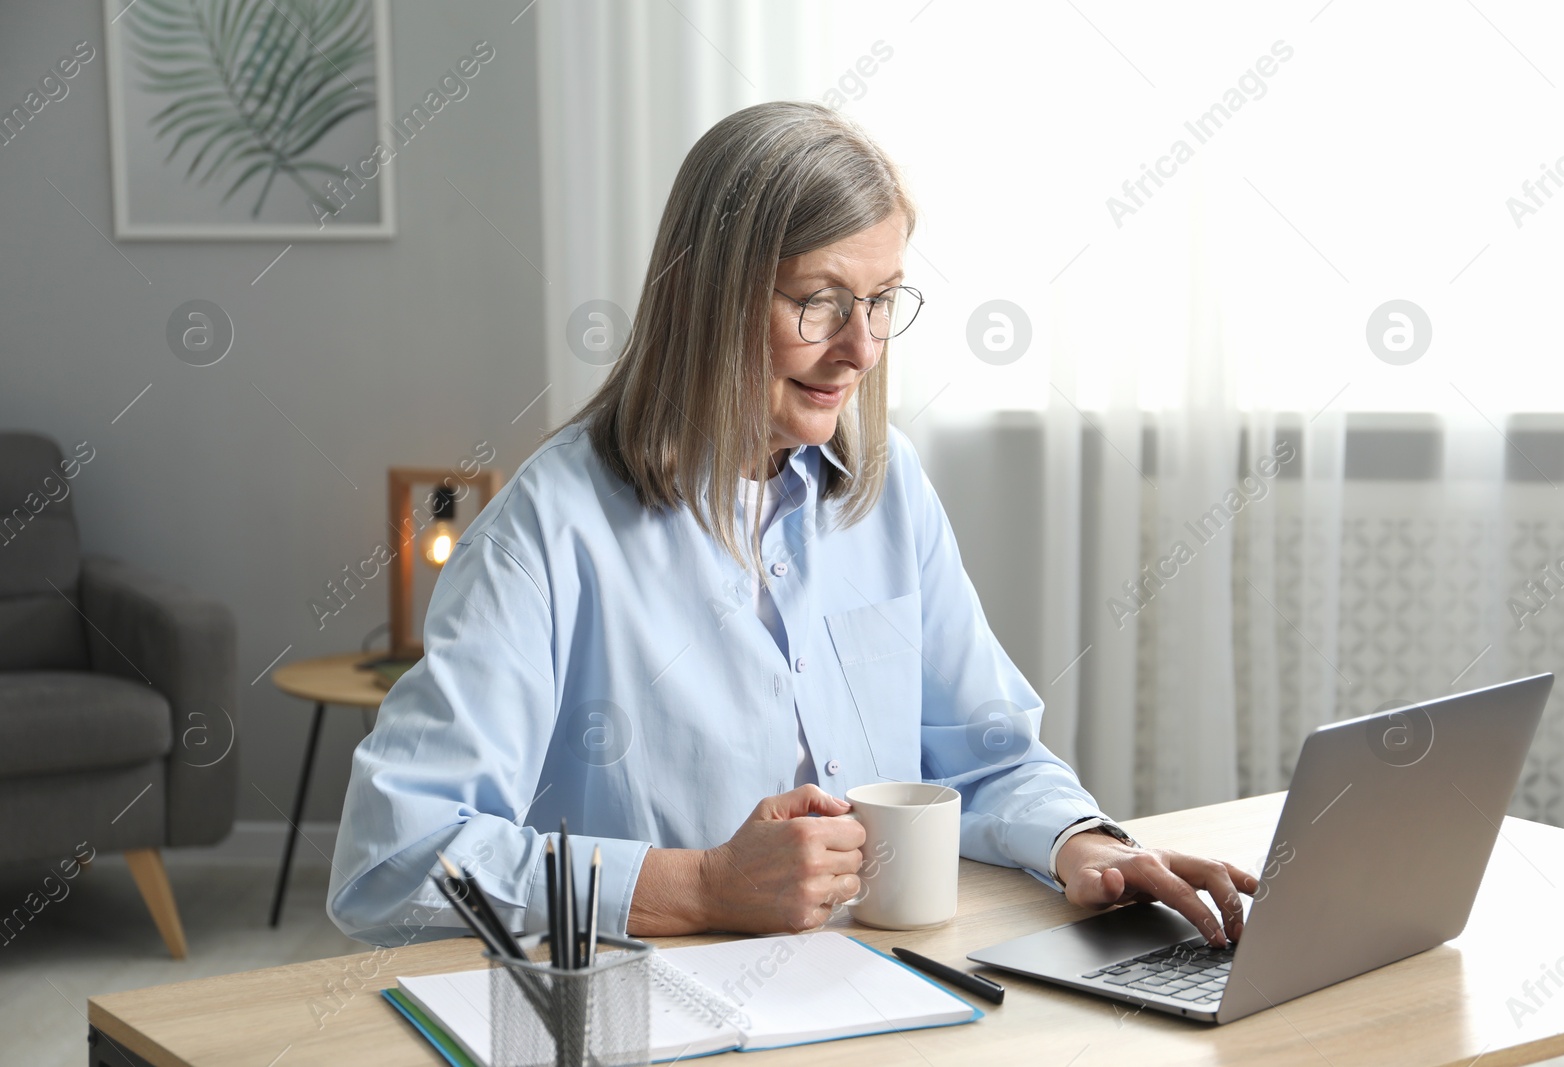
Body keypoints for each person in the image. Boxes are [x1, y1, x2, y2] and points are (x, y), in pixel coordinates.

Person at [327, 100, 1255, 949]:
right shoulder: (546, 533)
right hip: (658, 1016)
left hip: (889, 987)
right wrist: (696, 887)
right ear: (709, 294)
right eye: (818, 300)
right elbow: (395, 858)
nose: (859, 348)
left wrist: (1082, 841)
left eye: (883, 300)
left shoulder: (889, 492)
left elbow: (983, 754)